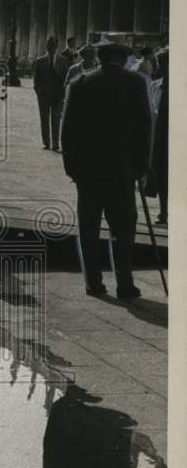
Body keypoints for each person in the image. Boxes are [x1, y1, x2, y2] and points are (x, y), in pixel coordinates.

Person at [60, 41, 151, 299]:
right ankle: (124, 283)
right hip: (122, 172)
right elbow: (144, 129)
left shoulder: (79, 84)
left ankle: (93, 282)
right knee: (123, 230)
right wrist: (142, 166)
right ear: (123, 59)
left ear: (98, 57)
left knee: (88, 228)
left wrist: (71, 167)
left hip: (87, 173)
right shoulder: (135, 84)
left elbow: (67, 132)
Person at [33, 35, 67, 151]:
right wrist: (39, 92)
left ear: (56, 46)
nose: (50, 47)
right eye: (49, 45)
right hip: (44, 95)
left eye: (53, 45)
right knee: (44, 119)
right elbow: (36, 80)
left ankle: (56, 143)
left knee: (56, 120)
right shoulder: (40, 60)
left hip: (57, 95)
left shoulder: (63, 61)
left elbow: (65, 79)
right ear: (46, 46)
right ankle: (46, 143)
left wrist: (63, 94)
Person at [151, 47, 168, 226]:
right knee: (162, 175)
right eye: (161, 64)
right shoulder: (154, 86)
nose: (164, 68)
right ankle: (163, 212)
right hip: (160, 139)